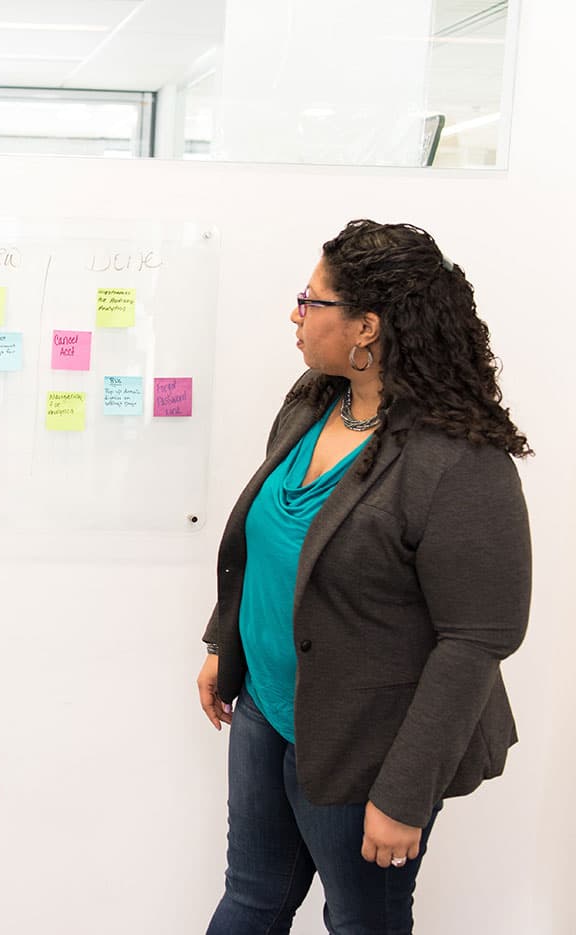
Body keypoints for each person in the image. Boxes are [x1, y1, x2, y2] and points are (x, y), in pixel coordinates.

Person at [195, 220, 532, 934]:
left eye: (310, 300)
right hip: (265, 708)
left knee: (360, 922)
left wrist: (405, 792)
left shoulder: (459, 460)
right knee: (250, 897)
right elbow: (271, 543)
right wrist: (227, 642)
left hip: (367, 745)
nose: (295, 313)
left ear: (366, 327)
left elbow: (476, 639)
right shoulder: (314, 399)